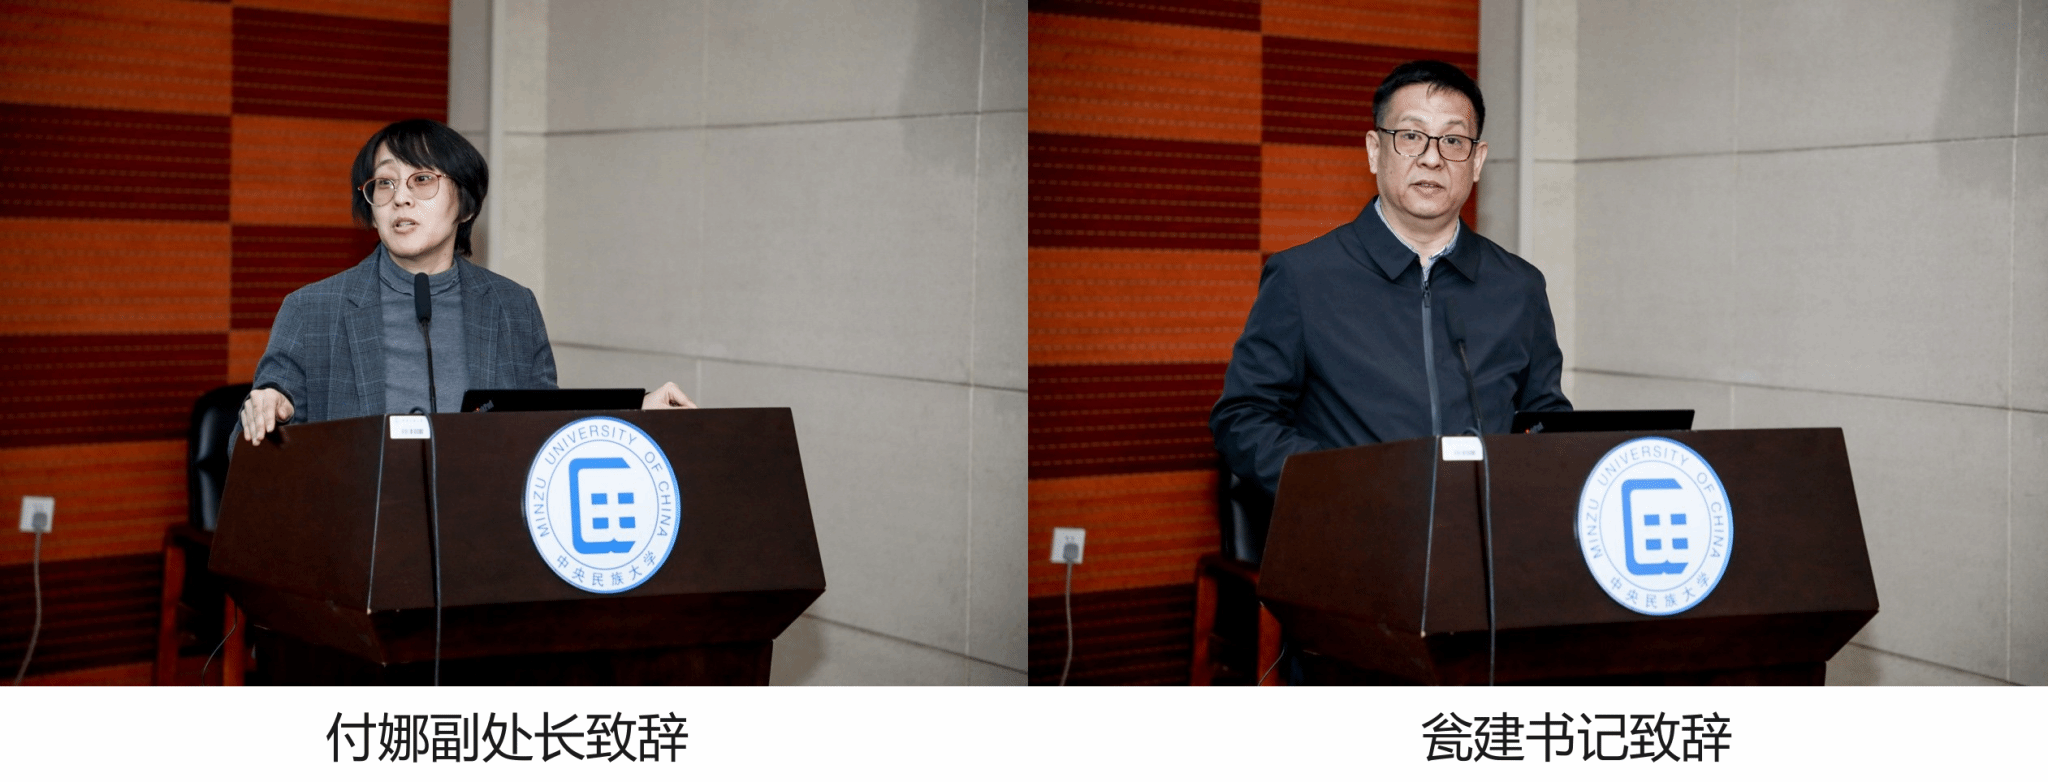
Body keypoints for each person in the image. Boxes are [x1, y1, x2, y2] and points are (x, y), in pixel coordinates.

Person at [1210, 60, 1571, 499]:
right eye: (1411, 136)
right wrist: (1340, 483)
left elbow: (1546, 422)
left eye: (1453, 140)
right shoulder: (1304, 278)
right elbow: (1243, 418)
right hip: (1353, 527)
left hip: (1484, 531)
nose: (1432, 158)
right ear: (1374, 150)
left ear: (1477, 161)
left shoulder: (1519, 287)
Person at [238, 119, 694, 445]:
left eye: (421, 180)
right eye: (384, 184)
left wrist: (637, 411)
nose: (400, 198)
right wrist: (267, 412)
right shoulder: (313, 309)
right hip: (361, 529)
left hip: (480, 527)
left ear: (467, 205)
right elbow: (249, 447)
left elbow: (547, 426)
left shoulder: (512, 306)